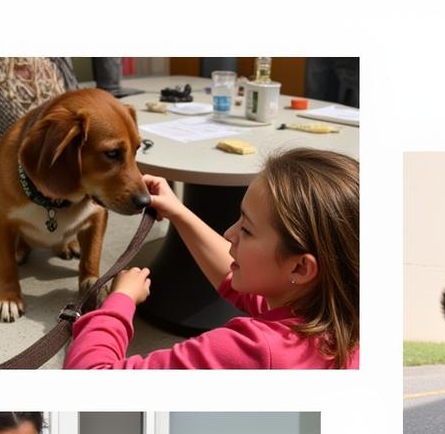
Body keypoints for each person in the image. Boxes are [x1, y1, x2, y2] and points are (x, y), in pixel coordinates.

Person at [63, 147, 359, 370]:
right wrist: (178, 212)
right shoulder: (339, 316)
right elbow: (239, 283)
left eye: (246, 229)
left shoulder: (252, 350)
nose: (229, 234)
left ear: (300, 266)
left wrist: (119, 303)